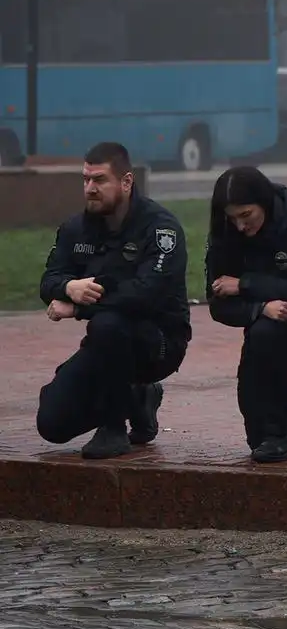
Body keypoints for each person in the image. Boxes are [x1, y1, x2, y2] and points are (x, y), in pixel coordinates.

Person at [36, 142, 191, 459]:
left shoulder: (161, 229)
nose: (90, 188)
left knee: (108, 323)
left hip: (159, 342)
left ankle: (113, 429)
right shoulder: (76, 229)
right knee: (51, 424)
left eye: (100, 180)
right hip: (106, 343)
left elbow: (145, 296)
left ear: (127, 181)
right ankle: (138, 400)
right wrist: (69, 287)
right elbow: (48, 282)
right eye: (86, 179)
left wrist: (80, 308)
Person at [205, 165, 287, 463]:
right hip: (262, 325)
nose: (240, 226)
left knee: (266, 334)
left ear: (263, 203)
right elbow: (218, 303)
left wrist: (246, 284)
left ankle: (283, 437)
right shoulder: (224, 237)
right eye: (232, 217)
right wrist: (259, 307)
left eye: (246, 215)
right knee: (257, 438)